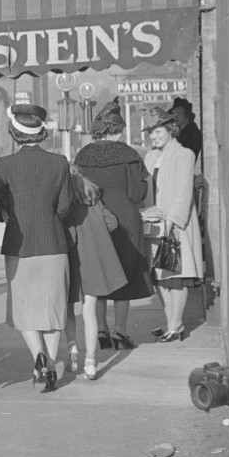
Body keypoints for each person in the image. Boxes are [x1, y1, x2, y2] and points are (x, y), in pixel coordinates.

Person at [0, 104, 71, 392]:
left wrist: (9, 216)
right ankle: (49, 365)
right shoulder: (60, 163)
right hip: (53, 244)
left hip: (18, 246)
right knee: (52, 310)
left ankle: (38, 356)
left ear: (14, 133)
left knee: (24, 309)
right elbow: (64, 207)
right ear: (42, 132)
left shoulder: (4, 166)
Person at [73, 99, 151, 351]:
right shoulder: (129, 155)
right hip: (126, 219)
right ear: (117, 130)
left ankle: (102, 331)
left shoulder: (83, 154)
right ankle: (120, 331)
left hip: (94, 219)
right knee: (125, 274)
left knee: (98, 274)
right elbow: (137, 193)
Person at [141, 107, 204, 342]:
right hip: (155, 224)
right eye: (151, 133)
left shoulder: (184, 154)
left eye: (157, 131)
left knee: (176, 277)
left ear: (170, 129)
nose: (154, 136)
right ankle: (170, 322)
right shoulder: (149, 157)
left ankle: (176, 326)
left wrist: (171, 221)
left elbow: (183, 193)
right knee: (160, 277)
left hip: (176, 227)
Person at [62, 166, 127, 380]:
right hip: (93, 264)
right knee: (89, 311)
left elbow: (69, 233)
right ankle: (90, 361)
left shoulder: (67, 206)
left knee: (69, 308)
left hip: (73, 261)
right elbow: (113, 222)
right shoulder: (95, 201)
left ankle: (72, 347)